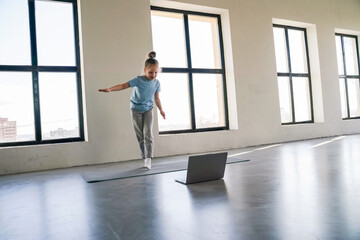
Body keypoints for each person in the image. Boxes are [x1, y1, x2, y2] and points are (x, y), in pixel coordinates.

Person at [99, 51, 165, 170]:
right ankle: (144, 157)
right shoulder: (138, 80)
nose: (154, 75)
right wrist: (110, 89)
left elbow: (157, 97)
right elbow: (124, 85)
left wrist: (161, 110)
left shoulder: (156, 83)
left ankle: (149, 159)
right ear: (145, 70)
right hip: (135, 110)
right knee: (140, 136)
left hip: (148, 110)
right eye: (151, 72)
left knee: (148, 133)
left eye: (156, 72)